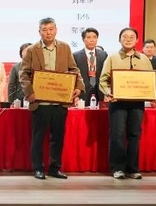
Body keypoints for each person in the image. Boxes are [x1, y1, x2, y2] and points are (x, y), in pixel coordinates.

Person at [19, 18, 83, 180]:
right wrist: (29, 92)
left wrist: (78, 87)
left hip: (60, 101)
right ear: (39, 32)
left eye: (51, 29)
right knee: (38, 138)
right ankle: (38, 168)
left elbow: (74, 69)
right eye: (44, 30)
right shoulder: (32, 50)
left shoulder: (64, 47)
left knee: (58, 138)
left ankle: (55, 168)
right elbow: (23, 73)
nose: (48, 33)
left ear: (56, 30)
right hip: (40, 102)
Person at [99, 27, 153, 180]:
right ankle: (117, 168)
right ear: (119, 39)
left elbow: (150, 80)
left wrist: (153, 92)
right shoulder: (112, 57)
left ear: (137, 40)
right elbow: (103, 79)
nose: (128, 39)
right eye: (125, 37)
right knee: (117, 135)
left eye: (131, 37)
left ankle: (133, 169)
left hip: (137, 103)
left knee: (134, 135)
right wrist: (108, 92)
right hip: (118, 103)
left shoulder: (144, 59)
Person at [73, 28, 108, 107]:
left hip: (99, 91)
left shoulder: (103, 55)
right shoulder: (76, 56)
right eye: (88, 37)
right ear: (83, 39)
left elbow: (106, 74)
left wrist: (106, 93)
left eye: (94, 37)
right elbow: (74, 76)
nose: (92, 40)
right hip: (83, 91)